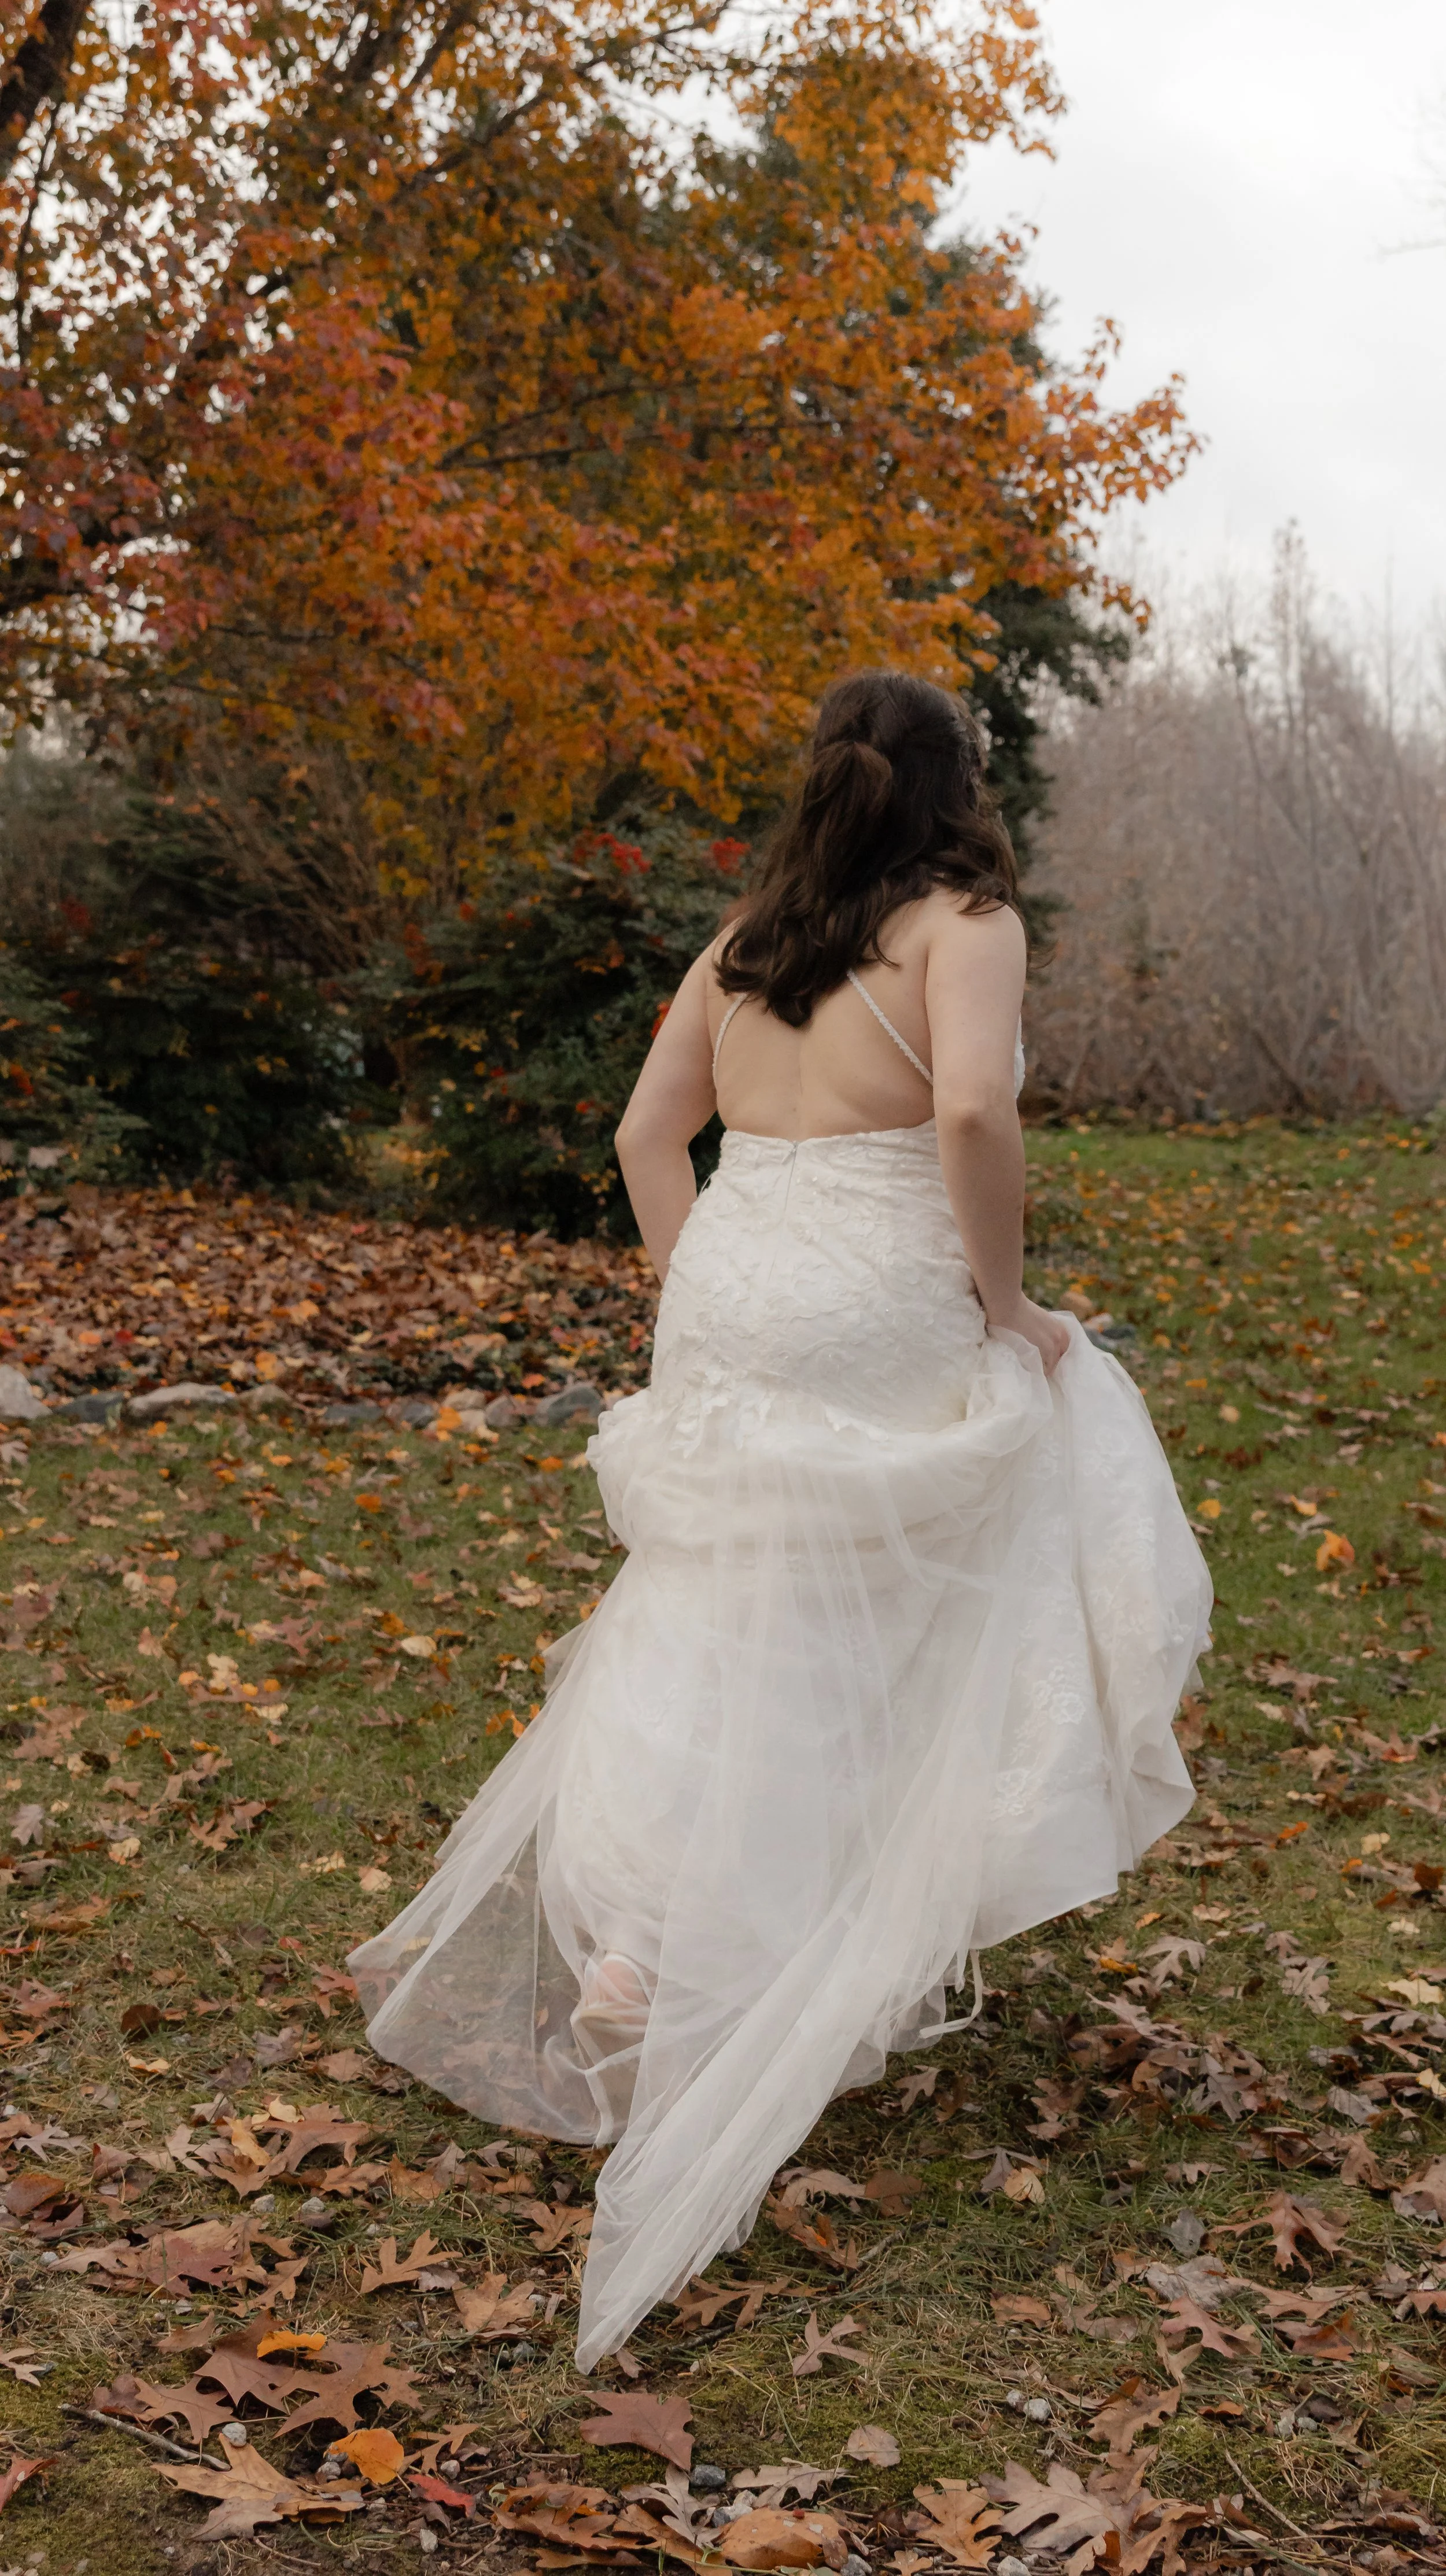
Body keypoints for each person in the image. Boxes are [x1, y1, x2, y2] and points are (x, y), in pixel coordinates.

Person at [351, 669, 1212, 2372]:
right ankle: (737, 1929)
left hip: (738, 1287)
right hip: (877, 1288)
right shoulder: (962, 922)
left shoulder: (748, 938)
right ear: (959, 787)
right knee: (903, 1584)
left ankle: (657, 1929)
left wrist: (709, 1290)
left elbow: (642, 1130)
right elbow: (969, 1110)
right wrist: (1008, 1299)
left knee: (722, 1603)